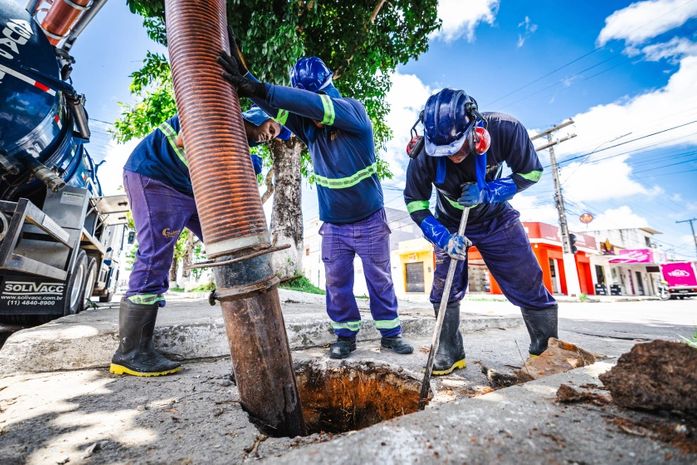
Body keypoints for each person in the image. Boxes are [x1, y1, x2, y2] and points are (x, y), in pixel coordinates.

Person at [218, 48, 414, 360]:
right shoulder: (310, 128)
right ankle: (345, 336)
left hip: (369, 222)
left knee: (380, 280)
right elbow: (277, 106)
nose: (310, 118)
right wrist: (249, 82)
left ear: (327, 94)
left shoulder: (353, 113)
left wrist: (263, 87)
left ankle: (391, 335)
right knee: (337, 284)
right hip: (334, 226)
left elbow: (310, 104)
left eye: (314, 105)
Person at [110, 107, 290, 377]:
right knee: (156, 255)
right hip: (156, 177)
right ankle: (131, 352)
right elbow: (186, 138)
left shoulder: (238, 140)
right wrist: (238, 159)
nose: (271, 137)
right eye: (272, 129)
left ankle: (250, 333)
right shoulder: (219, 109)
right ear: (257, 116)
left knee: (229, 245)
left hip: (189, 187)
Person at [403, 88, 558, 375]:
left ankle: (545, 351)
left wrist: (489, 192)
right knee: (444, 287)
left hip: (496, 217)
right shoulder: (423, 153)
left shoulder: (505, 129)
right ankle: (450, 350)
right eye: (444, 153)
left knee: (527, 280)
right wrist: (443, 238)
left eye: (459, 148)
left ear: (475, 132)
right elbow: (415, 203)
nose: (453, 157)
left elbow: (531, 173)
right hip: (450, 222)